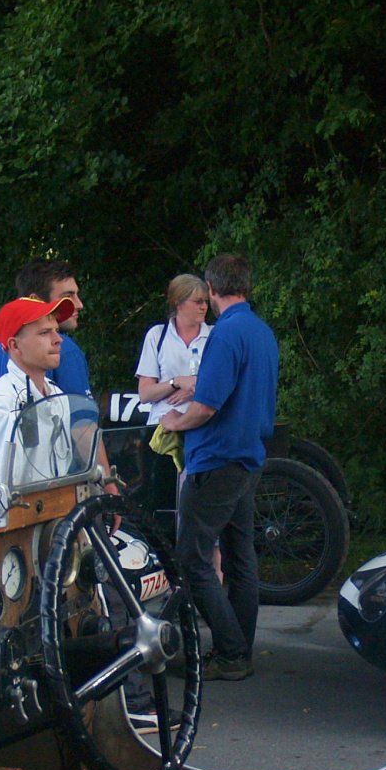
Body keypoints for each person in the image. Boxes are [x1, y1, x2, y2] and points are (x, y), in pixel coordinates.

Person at [156, 254, 279, 680]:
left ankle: (230, 653)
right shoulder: (262, 332)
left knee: (191, 556)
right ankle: (240, 647)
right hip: (249, 456)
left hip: (218, 458)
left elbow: (206, 406)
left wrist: (176, 421)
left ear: (211, 288)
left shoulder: (226, 335)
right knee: (240, 554)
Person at [0, 296, 76, 494]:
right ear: (15, 346)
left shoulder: (57, 395)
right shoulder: (2, 404)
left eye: (56, 330)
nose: (58, 339)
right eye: (45, 332)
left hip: (53, 516)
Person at [0, 261, 91, 399]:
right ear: (34, 299)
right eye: (67, 296)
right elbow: (82, 418)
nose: (79, 304)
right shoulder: (64, 348)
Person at [134, 274, 211, 424]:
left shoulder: (215, 336)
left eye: (206, 302)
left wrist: (194, 390)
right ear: (178, 303)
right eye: (198, 302)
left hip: (202, 424)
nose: (204, 307)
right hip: (162, 425)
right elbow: (144, 394)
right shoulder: (157, 335)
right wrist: (175, 382)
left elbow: (227, 383)